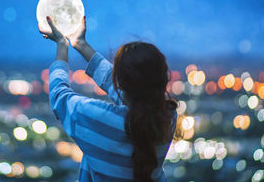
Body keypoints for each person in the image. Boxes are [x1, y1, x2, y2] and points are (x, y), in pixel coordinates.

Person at [39, 15, 178, 182]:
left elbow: (59, 96)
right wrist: (80, 44)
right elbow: (133, 91)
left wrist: (62, 44)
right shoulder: (167, 116)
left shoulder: (100, 119)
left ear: (121, 82)